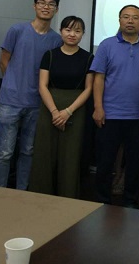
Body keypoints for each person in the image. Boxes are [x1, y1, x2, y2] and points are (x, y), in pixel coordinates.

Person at [0, 0, 62, 190]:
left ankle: (22, 192)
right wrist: (14, 84)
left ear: (56, 9)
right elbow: (4, 61)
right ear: (34, 6)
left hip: (37, 103)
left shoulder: (56, 40)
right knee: (4, 152)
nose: (46, 7)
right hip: (10, 100)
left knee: (28, 151)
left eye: (51, 4)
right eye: (42, 3)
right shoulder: (17, 30)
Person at [91, 5, 139, 207]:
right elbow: (98, 78)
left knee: (134, 163)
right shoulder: (106, 45)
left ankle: (130, 201)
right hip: (109, 114)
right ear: (119, 20)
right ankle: (102, 201)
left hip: (138, 116)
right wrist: (98, 107)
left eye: (135, 18)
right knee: (105, 162)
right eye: (126, 17)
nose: (130, 21)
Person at [29, 16, 94, 198]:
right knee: (44, 153)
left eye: (77, 31)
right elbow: (42, 86)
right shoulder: (49, 55)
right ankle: (40, 197)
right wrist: (54, 112)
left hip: (76, 109)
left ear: (83, 34)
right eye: (68, 30)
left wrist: (68, 112)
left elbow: (88, 88)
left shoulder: (89, 58)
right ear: (61, 31)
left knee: (70, 155)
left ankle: (68, 198)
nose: (72, 34)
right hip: (49, 108)